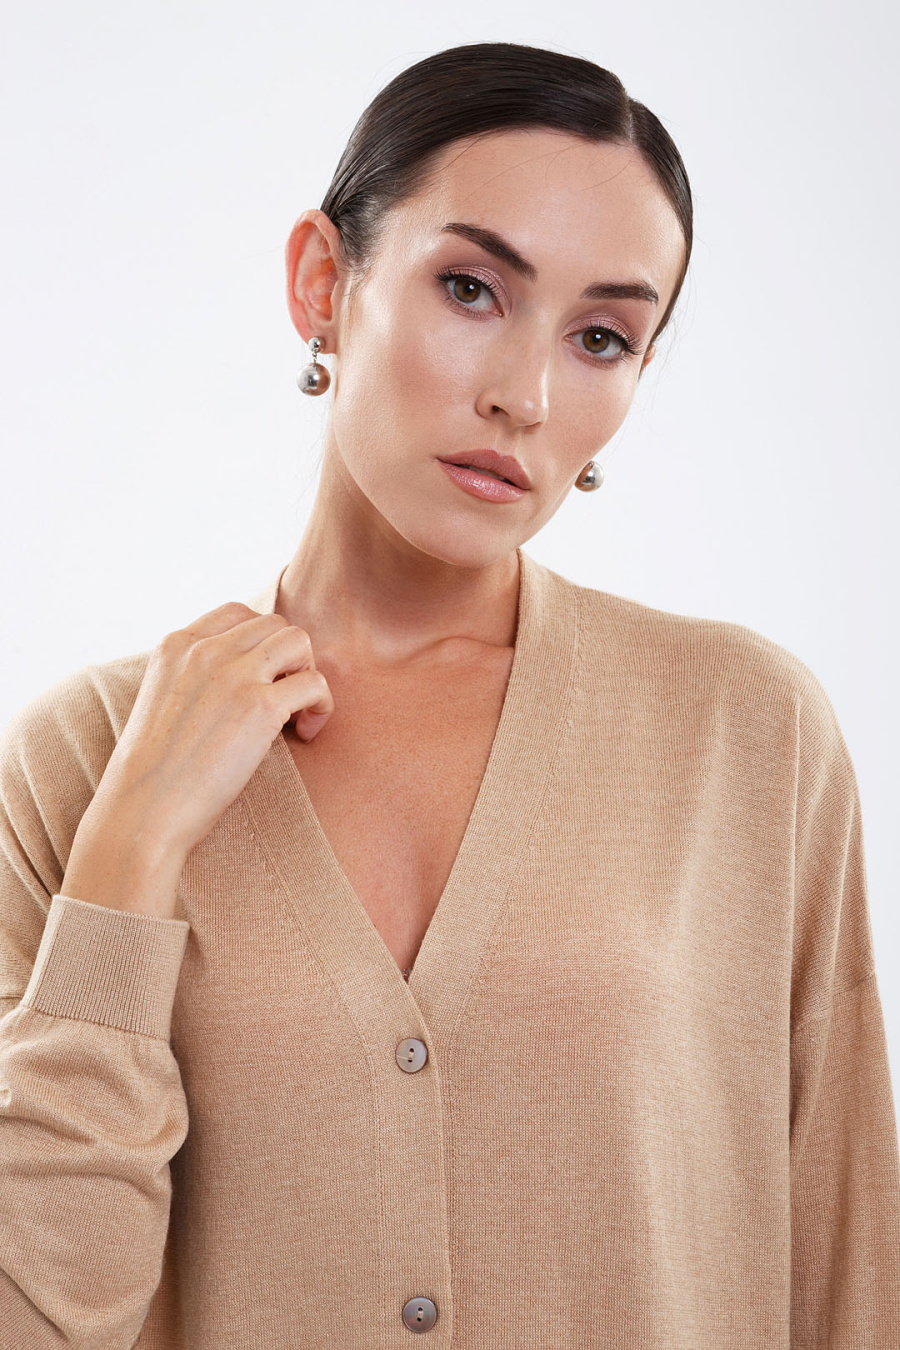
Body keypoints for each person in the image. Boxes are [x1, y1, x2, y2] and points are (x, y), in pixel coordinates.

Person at [0, 40, 898, 1350]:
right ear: (324, 283)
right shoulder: (81, 761)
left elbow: (851, 1274)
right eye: (471, 288)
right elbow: (33, 1316)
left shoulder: (743, 731)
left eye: (602, 337)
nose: (523, 396)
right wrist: (130, 850)